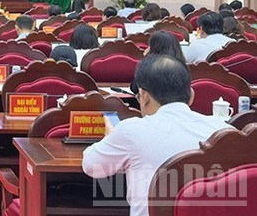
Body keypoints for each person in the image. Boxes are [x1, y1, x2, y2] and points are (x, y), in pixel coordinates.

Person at [83, 55, 233, 216]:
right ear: (191, 95)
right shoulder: (223, 130)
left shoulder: (131, 131)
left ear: (144, 96)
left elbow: (91, 166)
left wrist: (110, 137)